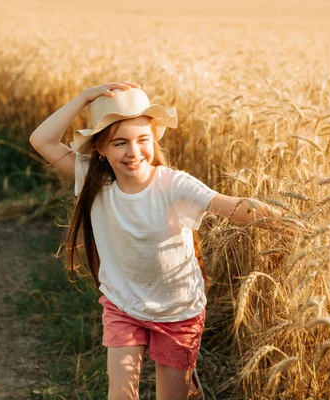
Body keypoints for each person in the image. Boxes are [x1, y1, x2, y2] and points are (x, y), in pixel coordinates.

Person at [29, 82, 292, 399]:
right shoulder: (92, 179)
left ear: (153, 140)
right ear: (100, 149)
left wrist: (284, 221)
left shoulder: (173, 185)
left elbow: (228, 205)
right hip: (123, 305)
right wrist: (84, 97)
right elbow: (41, 140)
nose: (133, 152)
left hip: (178, 311)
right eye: (119, 143)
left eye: (143, 140)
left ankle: (188, 387)